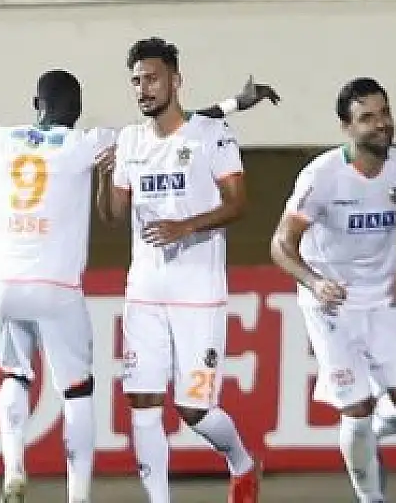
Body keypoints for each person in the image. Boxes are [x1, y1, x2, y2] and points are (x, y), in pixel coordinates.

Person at [0, 70, 278, 503]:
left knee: (15, 375)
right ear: (78, 110)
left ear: (36, 103)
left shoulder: (2, 139)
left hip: (3, 284)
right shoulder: (86, 143)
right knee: (76, 391)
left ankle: (13, 470)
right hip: (56, 287)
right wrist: (235, 104)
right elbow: (171, 128)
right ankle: (78, 495)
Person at [98, 38, 265, 503]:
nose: (143, 88)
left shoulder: (212, 134)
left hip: (198, 293)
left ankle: (242, 463)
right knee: (142, 401)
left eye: (151, 78)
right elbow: (113, 217)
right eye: (136, 81)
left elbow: (238, 204)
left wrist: (185, 226)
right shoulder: (130, 142)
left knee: (194, 410)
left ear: (175, 80)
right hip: (144, 291)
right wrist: (104, 178)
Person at [269, 77, 396, 503]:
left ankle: (367, 438)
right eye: (367, 118)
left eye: (384, 113)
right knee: (356, 407)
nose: (381, 124)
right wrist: (314, 282)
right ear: (347, 127)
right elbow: (280, 245)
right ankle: (372, 497)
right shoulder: (321, 177)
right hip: (332, 304)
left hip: (384, 298)